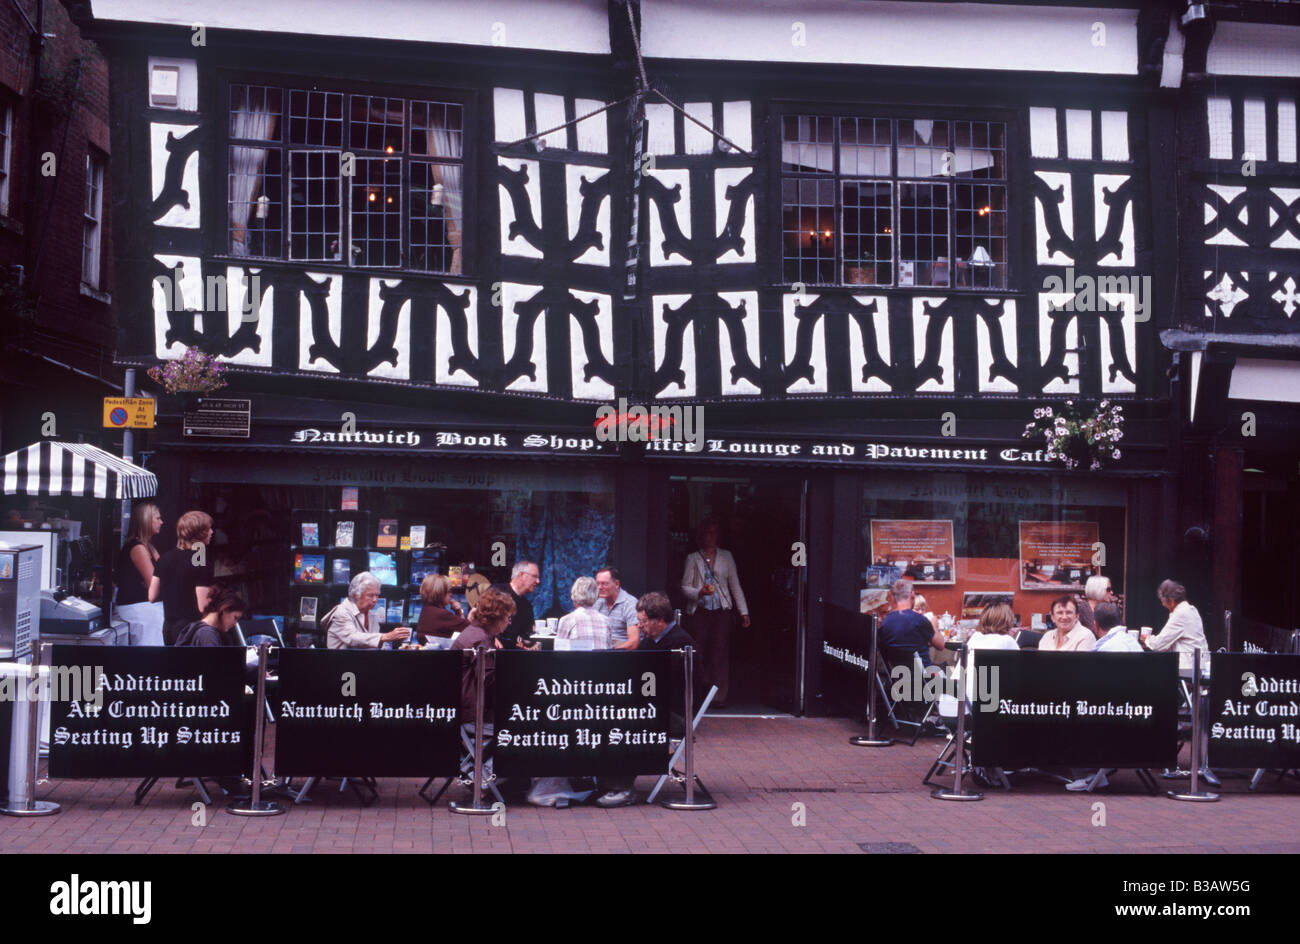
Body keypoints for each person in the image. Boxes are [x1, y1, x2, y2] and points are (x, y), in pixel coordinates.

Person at [594, 592, 697, 809]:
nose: (639, 627)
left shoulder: (680, 643)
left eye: (642, 622)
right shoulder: (653, 640)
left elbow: (668, 687)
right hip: (656, 706)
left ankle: (622, 788)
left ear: (659, 620)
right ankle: (604, 781)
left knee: (627, 723)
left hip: (675, 713)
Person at [680, 520, 749, 708]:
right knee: (698, 650)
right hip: (699, 611)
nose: (709, 537)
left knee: (719, 651)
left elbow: (735, 585)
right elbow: (684, 587)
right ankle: (697, 694)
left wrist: (743, 611)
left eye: (713, 533)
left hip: (721, 611)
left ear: (718, 536)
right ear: (701, 536)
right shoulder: (693, 558)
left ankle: (717, 696)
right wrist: (699, 592)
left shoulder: (727, 557)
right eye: (706, 533)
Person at [151, 510, 216, 646]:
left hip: (169, 627)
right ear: (200, 532)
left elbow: (152, 596)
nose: (212, 532)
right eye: (208, 529)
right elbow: (203, 606)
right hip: (191, 630)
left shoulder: (164, 558)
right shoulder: (201, 562)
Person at [115, 502, 165, 646]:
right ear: (146, 520)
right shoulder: (138, 548)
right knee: (148, 660)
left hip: (148, 610)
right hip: (140, 611)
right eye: (157, 518)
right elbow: (154, 584)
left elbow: (162, 579)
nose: (161, 522)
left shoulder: (148, 547)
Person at [325, 572, 411, 649]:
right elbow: (352, 638)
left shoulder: (371, 615)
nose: (375, 600)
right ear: (356, 595)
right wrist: (385, 637)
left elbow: (373, 645)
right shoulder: (341, 612)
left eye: (377, 595)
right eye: (370, 595)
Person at [960, 603, 1020, 702]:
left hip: (951, 706)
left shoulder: (975, 637)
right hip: (976, 708)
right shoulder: (1006, 640)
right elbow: (1020, 671)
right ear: (1007, 620)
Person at [1144, 579, 1210, 670]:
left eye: (1163, 601)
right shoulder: (1191, 610)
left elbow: (1158, 644)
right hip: (1200, 664)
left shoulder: (1180, 614)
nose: (1162, 604)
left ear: (1171, 601)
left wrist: (1146, 639)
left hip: (1189, 667)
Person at [879, 579, 945, 668]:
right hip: (924, 677)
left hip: (898, 677)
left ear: (893, 597)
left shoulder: (885, 623)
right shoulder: (919, 620)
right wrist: (934, 625)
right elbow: (941, 645)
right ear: (912, 595)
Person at [491, 560, 541, 651]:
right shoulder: (496, 592)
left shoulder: (527, 607)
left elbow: (525, 638)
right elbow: (474, 618)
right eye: (534, 576)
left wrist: (531, 646)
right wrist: (491, 638)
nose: (538, 581)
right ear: (521, 575)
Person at [174, 586, 247, 647]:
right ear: (224, 610)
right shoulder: (207, 635)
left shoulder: (196, 629)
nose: (234, 624)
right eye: (235, 618)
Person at [556, 576, 612, 650]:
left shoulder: (567, 620)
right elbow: (608, 650)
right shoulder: (606, 621)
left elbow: (559, 652)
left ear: (573, 595)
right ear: (595, 595)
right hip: (602, 661)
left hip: (578, 661)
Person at [594, 566, 639, 649]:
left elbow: (634, 642)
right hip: (602, 651)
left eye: (604, 583)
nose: (599, 587)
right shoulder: (598, 603)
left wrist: (610, 653)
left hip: (622, 655)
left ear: (617, 584)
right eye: (597, 584)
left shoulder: (630, 604)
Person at [415, 573, 470, 642]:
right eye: (449, 591)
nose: (451, 594)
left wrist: (458, 612)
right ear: (439, 592)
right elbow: (470, 629)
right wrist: (465, 612)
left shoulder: (427, 610)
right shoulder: (441, 614)